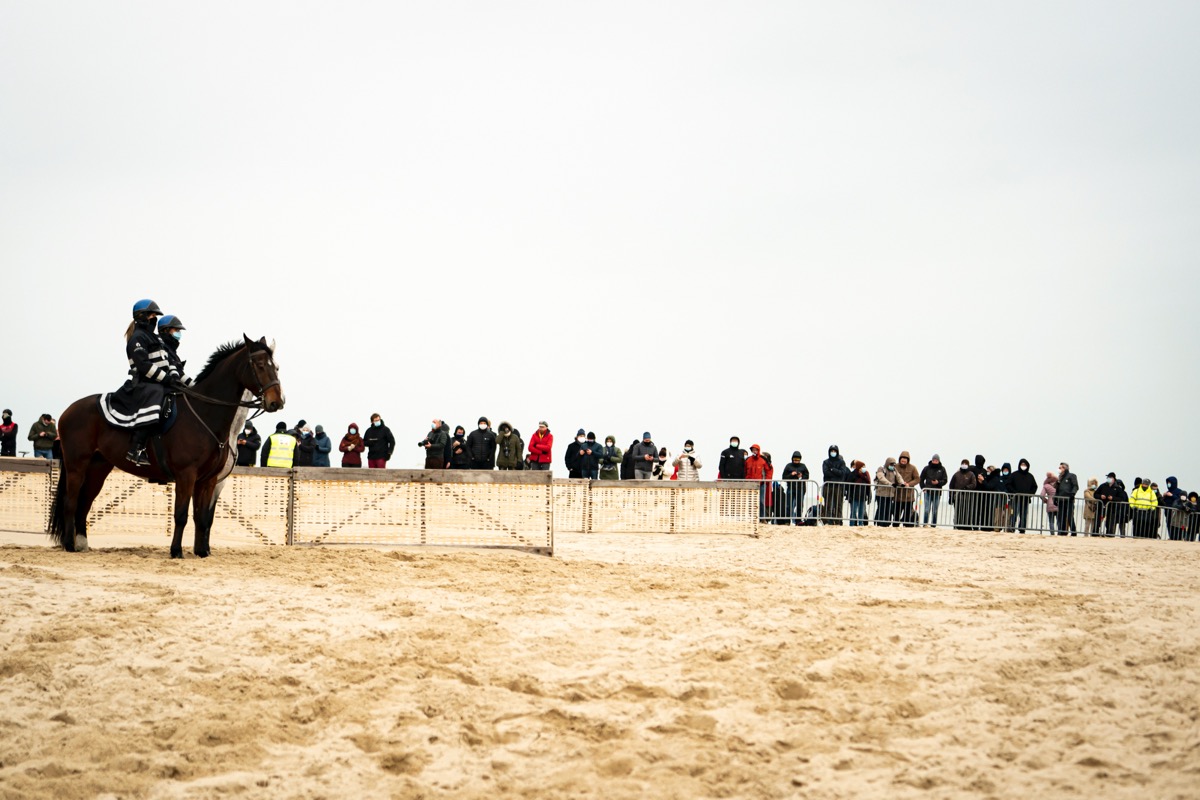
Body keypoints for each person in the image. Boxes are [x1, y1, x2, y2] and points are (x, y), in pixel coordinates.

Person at [103, 299, 183, 465]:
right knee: (155, 395)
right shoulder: (137, 338)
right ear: (141, 316)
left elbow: (169, 361)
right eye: (152, 315)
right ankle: (136, 448)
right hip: (145, 383)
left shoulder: (155, 338)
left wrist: (174, 376)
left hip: (159, 381)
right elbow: (144, 366)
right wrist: (167, 379)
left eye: (155, 315)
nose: (154, 318)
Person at [1007, 459, 1039, 533]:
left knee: (1023, 515)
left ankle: (1022, 529)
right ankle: (1011, 528)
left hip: (1025, 499)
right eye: (1022, 464)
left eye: (1025, 465)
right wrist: (1014, 492)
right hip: (1015, 499)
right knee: (1013, 514)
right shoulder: (1014, 474)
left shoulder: (1030, 476)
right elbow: (1008, 484)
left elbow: (1035, 486)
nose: (1023, 466)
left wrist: (1030, 495)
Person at [822, 445, 850, 525]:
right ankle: (828, 521)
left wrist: (832, 469)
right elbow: (825, 472)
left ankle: (838, 521)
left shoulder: (841, 462)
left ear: (837, 452)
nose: (833, 452)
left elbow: (842, 473)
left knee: (838, 505)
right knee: (828, 504)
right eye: (832, 451)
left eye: (834, 451)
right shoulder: (826, 462)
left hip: (838, 486)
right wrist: (836, 473)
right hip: (828, 486)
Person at [780, 451, 810, 524]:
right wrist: (791, 474)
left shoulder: (803, 466)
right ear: (792, 459)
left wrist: (801, 476)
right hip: (791, 488)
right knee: (788, 505)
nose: (796, 461)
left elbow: (807, 476)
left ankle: (798, 521)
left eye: (797, 460)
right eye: (795, 459)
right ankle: (787, 521)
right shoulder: (788, 466)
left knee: (799, 505)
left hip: (801, 488)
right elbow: (784, 477)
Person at [919, 454, 948, 528]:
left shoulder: (942, 469)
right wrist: (923, 488)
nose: (935, 461)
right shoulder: (926, 468)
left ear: (939, 461)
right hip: (927, 492)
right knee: (926, 509)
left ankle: (933, 525)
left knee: (935, 510)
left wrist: (938, 482)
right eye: (934, 460)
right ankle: (925, 524)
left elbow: (945, 480)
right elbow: (921, 479)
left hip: (937, 492)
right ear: (932, 460)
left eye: (936, 460)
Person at [948, 459, 977, 530]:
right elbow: (951, 485)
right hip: (957, 497)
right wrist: (951, 496)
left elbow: (974, 484)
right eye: (963, 463)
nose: (964, 465)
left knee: (967, 512)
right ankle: (956, 525)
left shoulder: (971, 474)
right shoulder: (956, 474)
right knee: (957, 512)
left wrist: (966, 488)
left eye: (965, 464)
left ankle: (966, 526)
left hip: (968, 498)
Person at [894, 451, 920, 527]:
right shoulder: (895, 467)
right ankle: (895, 526)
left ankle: (907, 526)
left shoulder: (913, 468)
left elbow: (917, 479)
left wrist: (909, 484)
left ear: (908, 459)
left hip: (908, 496)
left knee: (908, 515)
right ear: (900, 459)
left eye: (905, 458)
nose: (904, 460)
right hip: (897, 496)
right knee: (896, 513)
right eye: (902, 458)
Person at [874, 457, 899, 527]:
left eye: (894, 464)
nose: (892, 466)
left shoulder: (894, 470)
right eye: (891, 464)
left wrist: (902, 483)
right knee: (881, 508)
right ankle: (879, 523)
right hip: (881, 493)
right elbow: (881, 477)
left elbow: (899, 477)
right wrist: (890, 484)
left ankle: (887, 523)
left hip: (890, 494)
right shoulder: (881, 469)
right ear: (887, 463)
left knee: (888, 509)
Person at [846, 460, 871, 527]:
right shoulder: (853, 474)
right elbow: (848, 485)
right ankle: (852, 524)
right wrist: (849, 495)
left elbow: (868, 485)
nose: (864, 468)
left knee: (861, 512)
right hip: (854, 496)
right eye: (862, 467)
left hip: (862, 496)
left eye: (864, 467)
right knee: (853, 512)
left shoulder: (865, 475)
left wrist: (868, 495)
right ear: (859, 467)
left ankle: (860, 524)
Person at [1057, 462, 1079, 535]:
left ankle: (1073, 531)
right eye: (1059, 468)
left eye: (1061, 468)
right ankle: (1063, 532)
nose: (1060, 469)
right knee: (1061, 516)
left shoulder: (1072, 476)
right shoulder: (1060, 477)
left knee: (1069, 516)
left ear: (1065, 468)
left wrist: (1072, 494)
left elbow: (1075, 486)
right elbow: (1057, 488)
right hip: (1060, 499)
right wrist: (1055, 498)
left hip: (1069, 499)